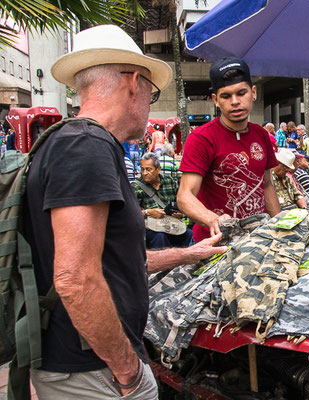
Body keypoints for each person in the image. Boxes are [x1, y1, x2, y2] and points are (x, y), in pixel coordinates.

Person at [25, 24, 227, 398]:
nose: (150, 102)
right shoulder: (86, 146)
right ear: (134, 82)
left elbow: (108, 259)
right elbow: (75, 280)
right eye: (152, 91)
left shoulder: (77, 142)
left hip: (88, 365)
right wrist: (128, 370)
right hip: (92, 369)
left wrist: (188, 254)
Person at [177, 57, 280, 243]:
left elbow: (266, 184)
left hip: (257, 240)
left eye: (241, 93)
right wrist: (213, 219)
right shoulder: (201, 138)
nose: (235, 101)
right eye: (226, 96)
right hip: (215, 244)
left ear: (253, 92)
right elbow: (185, 196)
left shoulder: (262, 135)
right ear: (216, 100)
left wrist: (279, 227)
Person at [133, 152, 193, 248]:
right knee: (160, 237)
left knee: (188, 234)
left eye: (148, 169)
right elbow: (131, 213)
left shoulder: (169, 181)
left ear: (158, 169)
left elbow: (180, 202)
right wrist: (148, 212)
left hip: (169, 224)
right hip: (150, 228)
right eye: (142, 169)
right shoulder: (136, 186)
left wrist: (179, 213)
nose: (144, 173)